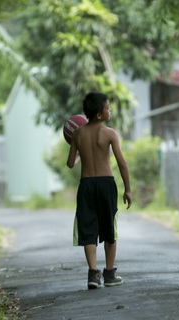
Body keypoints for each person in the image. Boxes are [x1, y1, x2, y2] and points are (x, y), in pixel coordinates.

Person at [67, 91, 133, 289]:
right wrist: (128, 189)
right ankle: (110, 274)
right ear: (99, 114)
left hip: (86, 185)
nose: (109, 110)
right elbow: (122, 164)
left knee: (88, 229)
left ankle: (93, 274)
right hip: (106, 184)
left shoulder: (77, 133)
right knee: (109, 228)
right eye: (107, 108)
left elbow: (71, 163)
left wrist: (80, 153)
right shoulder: (110, 133)